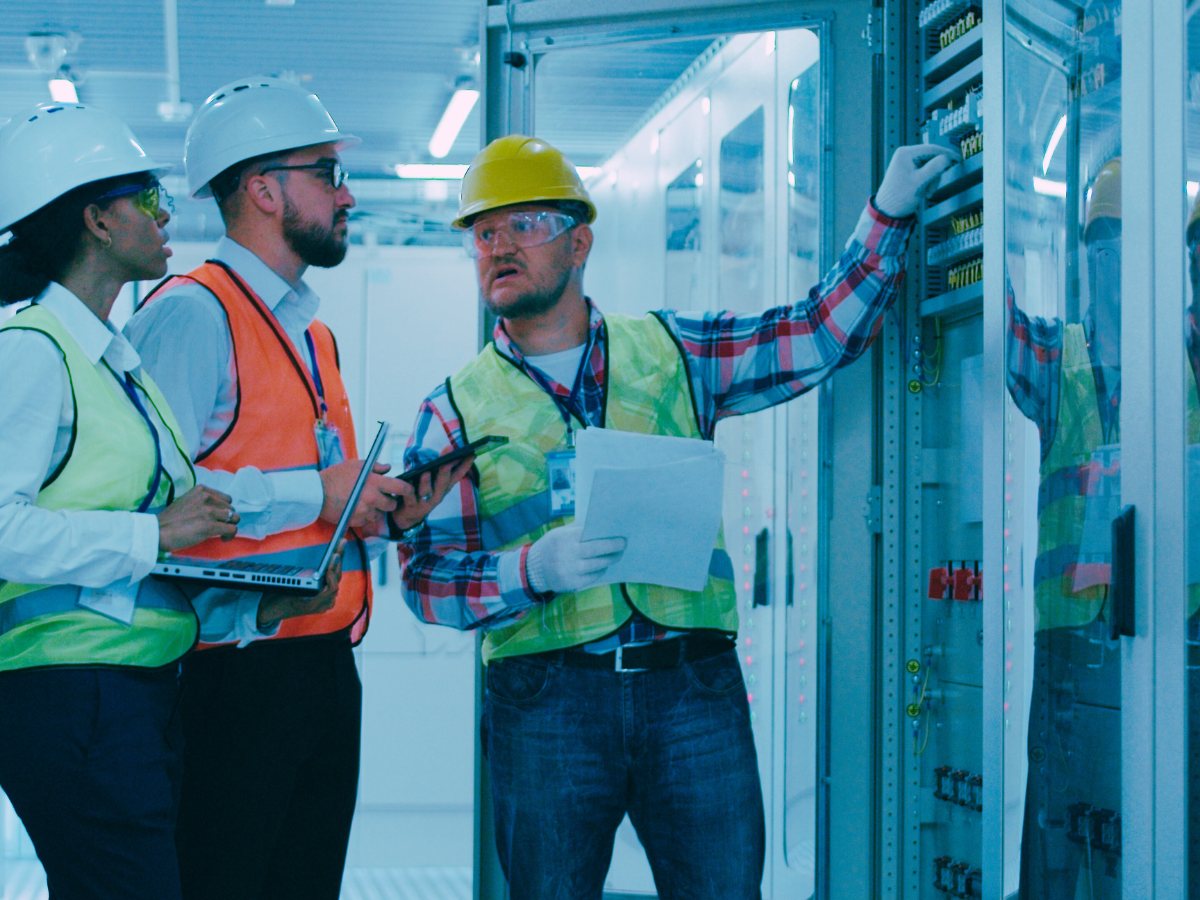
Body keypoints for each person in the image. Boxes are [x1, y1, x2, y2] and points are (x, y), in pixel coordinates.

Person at [398, 134, 955, 898]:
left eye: (523, 224)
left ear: (579, 242)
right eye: (484, 232)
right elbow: (424, 578)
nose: (499, 246)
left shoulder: (674, 351)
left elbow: (814, 335)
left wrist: (884, 216)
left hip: (691, 689)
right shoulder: (453, 408)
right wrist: (530, 570)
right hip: (547, 703)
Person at [124, 77, 471, 900]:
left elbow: (313, 486)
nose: (347, 195)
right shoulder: (191, 314)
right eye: (328, 174)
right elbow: (147, 498)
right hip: (226, 676)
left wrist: (373, 510)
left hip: (318, 662)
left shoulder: (312, 334)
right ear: (264, 189)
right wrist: (315, 494)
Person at [0, 102, 238, 899]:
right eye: (148, 199)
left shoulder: (113, 361)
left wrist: (246, 599)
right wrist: (154, 533)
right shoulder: (32, 352)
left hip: (130, 689)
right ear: (98, 220)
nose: (165, 217)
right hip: (72, 692)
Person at [1006, 159, 1125, 898]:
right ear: (1094, 257)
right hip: (1069, 652)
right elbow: (999, 325)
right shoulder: (1058, 360)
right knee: (1055, 849)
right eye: (1111, 245)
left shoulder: (1185, 366)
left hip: (1164, 639)